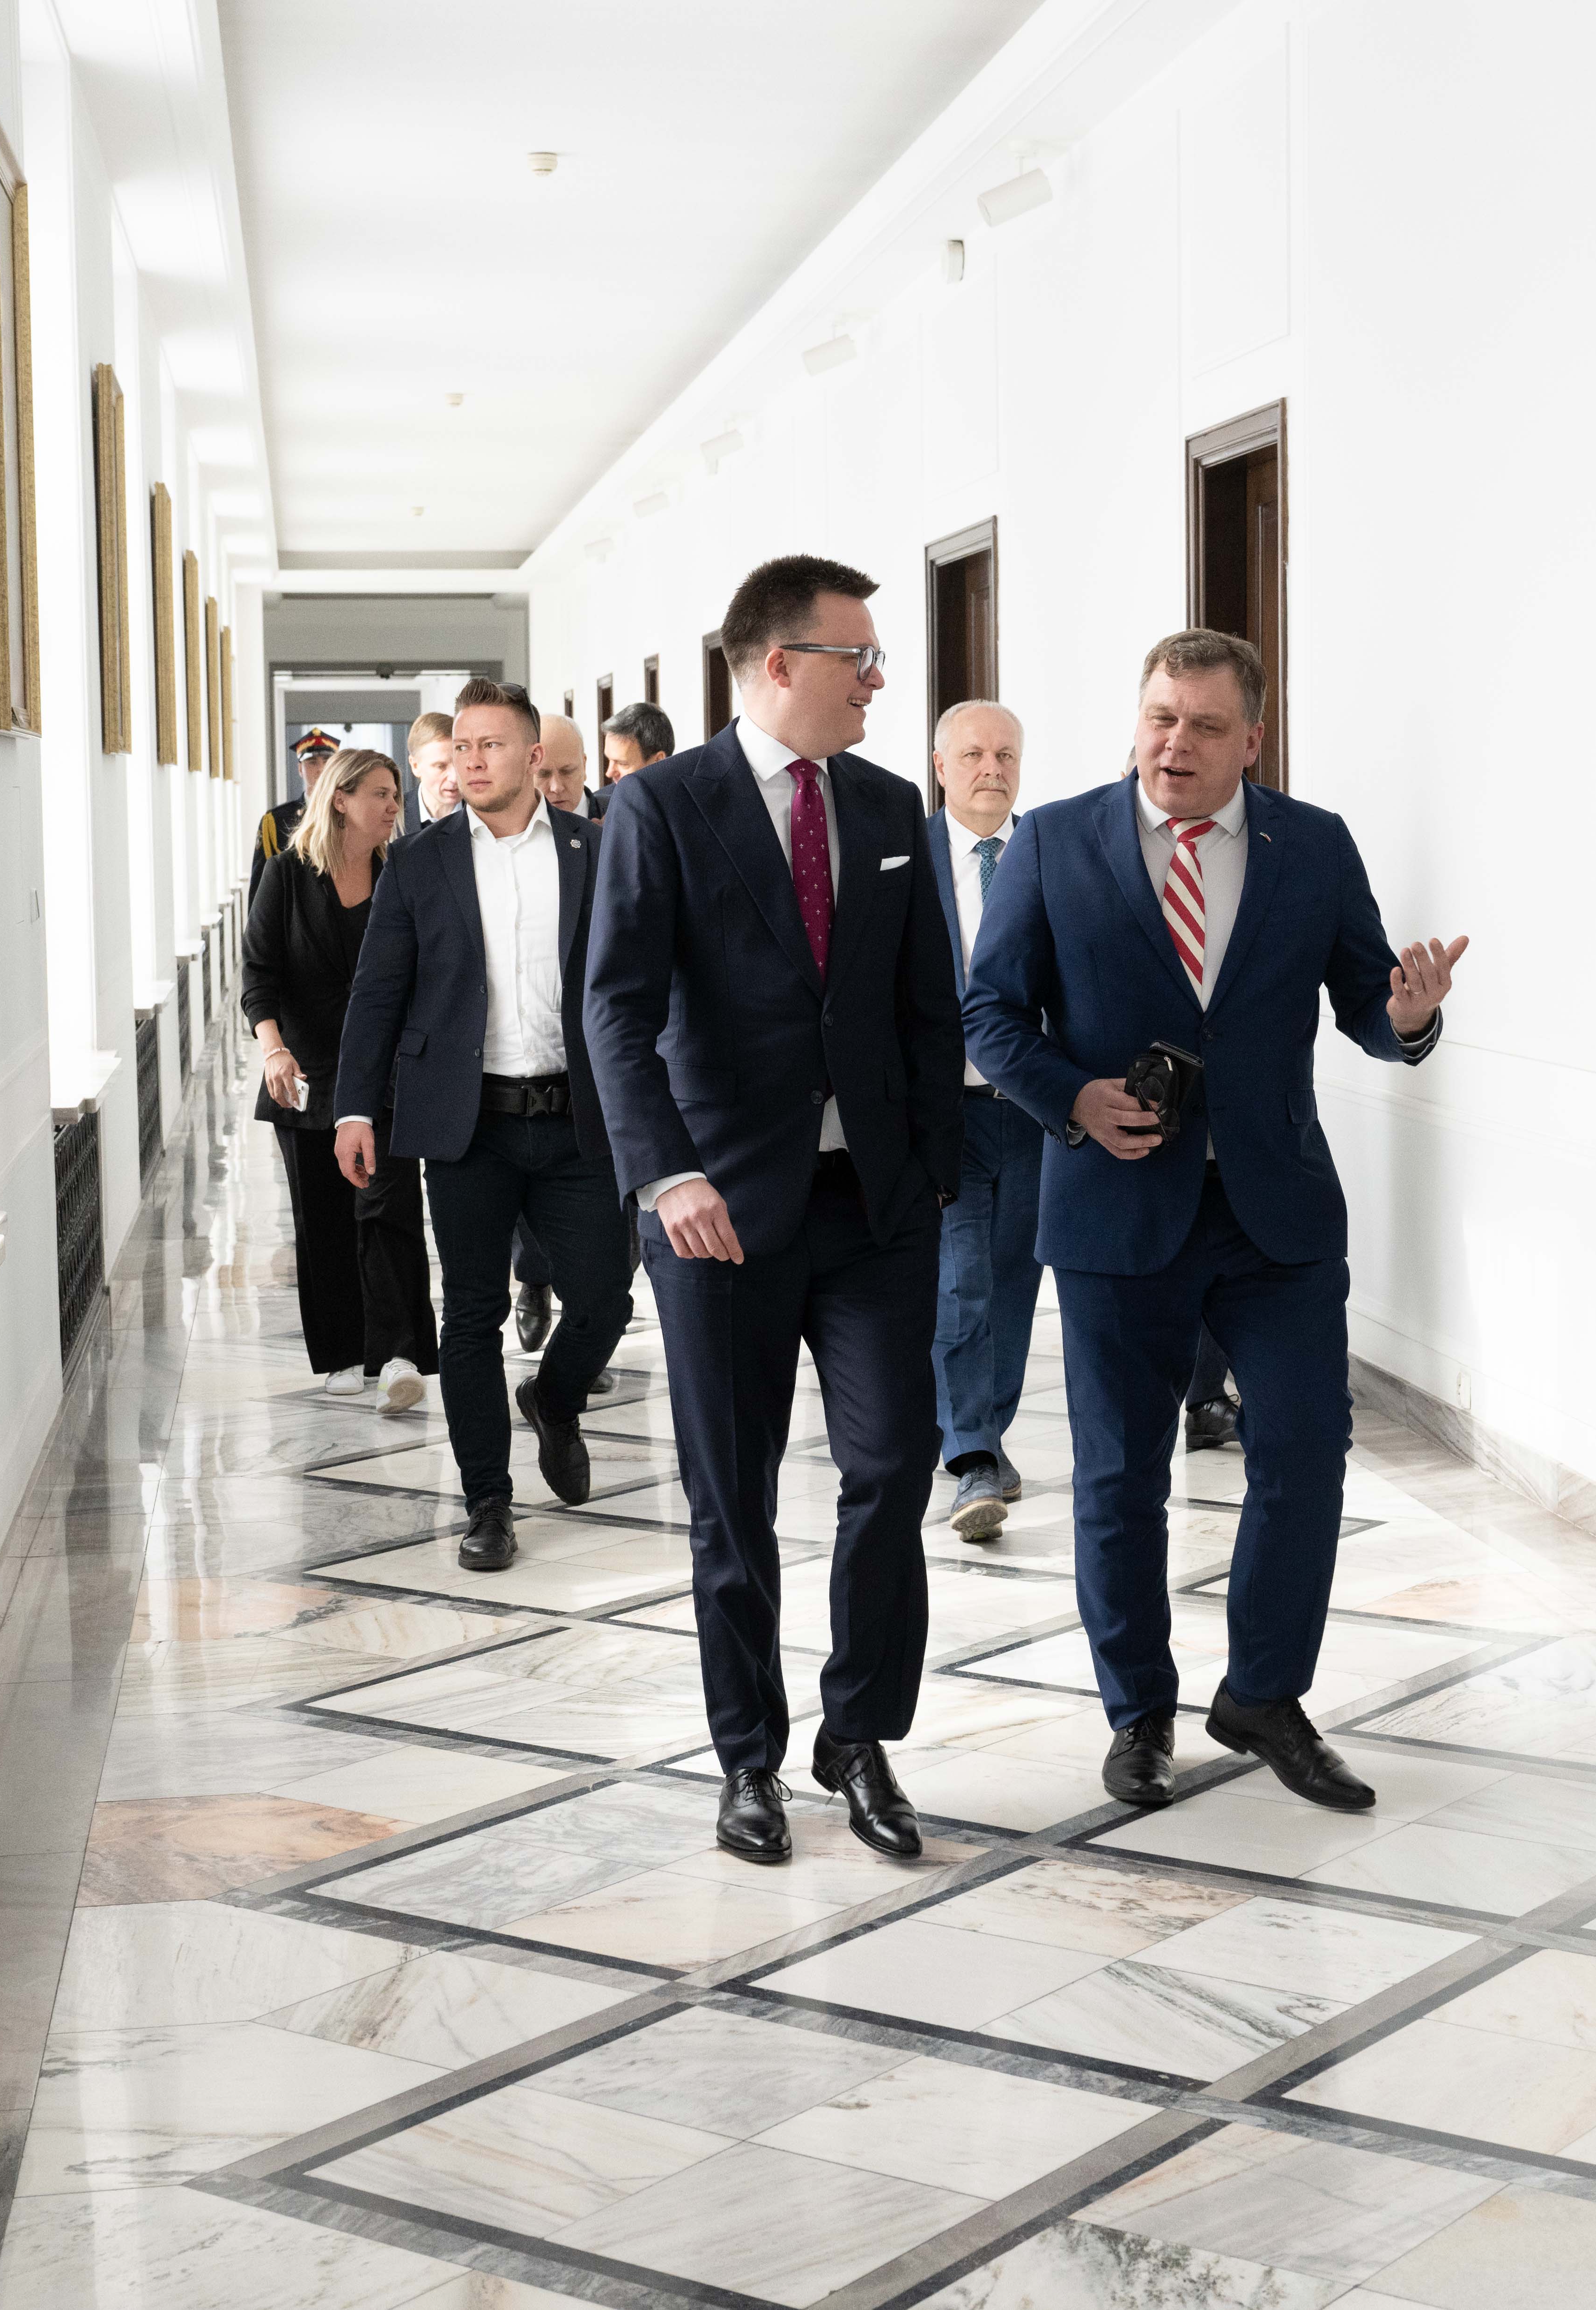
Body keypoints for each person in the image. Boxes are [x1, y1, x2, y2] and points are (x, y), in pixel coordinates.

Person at [965, 630, 1466, 1817]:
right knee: (1120, 1475)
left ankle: (1264, 1695)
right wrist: (1073, 1099)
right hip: (1115, 1206)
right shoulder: (1054, 841)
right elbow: (990, 1013)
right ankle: (1137, 1711)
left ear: (1253, 738)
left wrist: (1408, 1016)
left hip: (1273, 1212)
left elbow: (1366, 1004)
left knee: (1306, 1449)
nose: (1174, 743)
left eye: (1202, 724)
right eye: (1159, 717)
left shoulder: (1314, 845)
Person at [586, 555, 961, 1867]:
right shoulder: (663, 804)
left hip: (873, 1206)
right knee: (730, 1497)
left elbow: (925, 1003)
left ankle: (858, 1734)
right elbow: (615, 1008)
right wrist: (665, 1172)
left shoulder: (888, 804)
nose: (879, 680)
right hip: (719, 1213)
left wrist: (933, 1168)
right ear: (781, 663)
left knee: (893, 1463)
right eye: (860, 657)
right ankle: (747, 1752)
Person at [332, 679, 631, 1574]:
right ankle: (487, 1502)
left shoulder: (592, 849)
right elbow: (378, 991)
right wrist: (355, 1105)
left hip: (577, 1119)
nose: (470, 760)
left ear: (533, 757)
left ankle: (555, 1397)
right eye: (461, 746)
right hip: (469, 1127)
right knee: (471, 1315)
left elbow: (634, 980)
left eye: (490, 745)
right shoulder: (418, 861)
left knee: (605, 1299)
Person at [243, 749, 436, 1412]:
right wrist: (273, 1050)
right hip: (304, 1076)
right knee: (323, 1217)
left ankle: (399, 1353)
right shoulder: (287, 875)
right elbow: (258, 974)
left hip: (384, 1073)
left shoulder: (400, 873)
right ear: (340, 799)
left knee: (389, 1207)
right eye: (380, 793)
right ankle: (343, 1351)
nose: (393, 806)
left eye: (396, 794)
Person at [921, 702, 1040, 1541]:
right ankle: (969, 1457)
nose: (990, 768)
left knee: (1014, 1284)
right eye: (972, 755)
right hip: (947, 1114)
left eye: (1004, 754)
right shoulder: (906, 857)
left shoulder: (1051, 854)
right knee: (959, 1286)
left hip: (1035, 1114)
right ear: (940, 767)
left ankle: (987, 1435)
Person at [509, 713, 600, 1351]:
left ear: (587, 766)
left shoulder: (623, 824)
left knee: (605, 1224)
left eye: (569, 772)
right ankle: (533, 1279)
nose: (557, 787)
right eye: (545, 775)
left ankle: (588, 1333)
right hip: (533, 1053)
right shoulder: (512, 837)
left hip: (604, 1053)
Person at [258, 728, 338, 860]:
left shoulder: (350, 814)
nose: (320, 769)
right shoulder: (277, 820)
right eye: (312, 762)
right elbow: (263, 872)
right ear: (300, 769)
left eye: (327, 761)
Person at [598, 700, 675, 807]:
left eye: (622, 764)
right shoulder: (599, 807)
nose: (609, 773)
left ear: (658, 761)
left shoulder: (689, 805)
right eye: (609, 760)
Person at [405, 711, 459, 831]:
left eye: (459, 764)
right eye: (441, 766)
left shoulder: (488, 815)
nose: (455, 778)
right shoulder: (390, 817)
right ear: (415, 766)